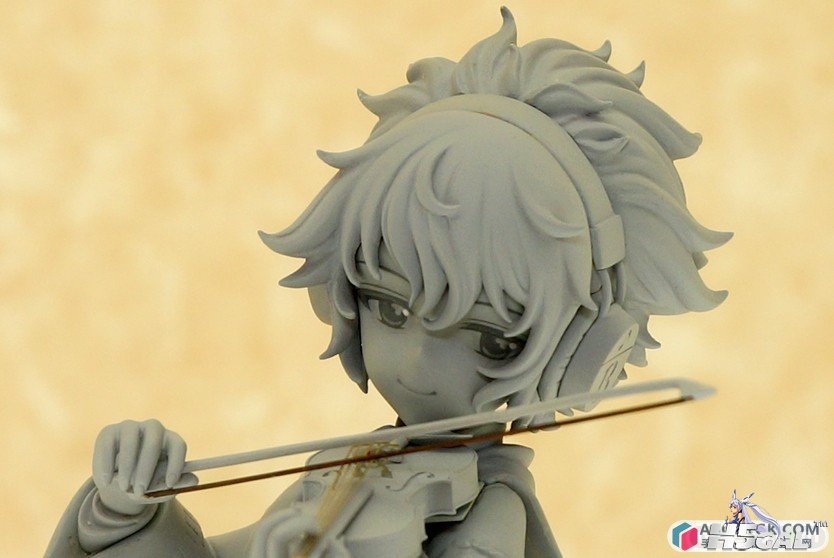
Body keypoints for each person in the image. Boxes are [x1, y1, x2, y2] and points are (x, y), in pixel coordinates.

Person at [46, 8, 730, 557]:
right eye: (389, 308)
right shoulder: (351, 468)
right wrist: (128, 515)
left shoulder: (489, 514)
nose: (417, 366)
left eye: (490, 339)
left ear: (580, 355)